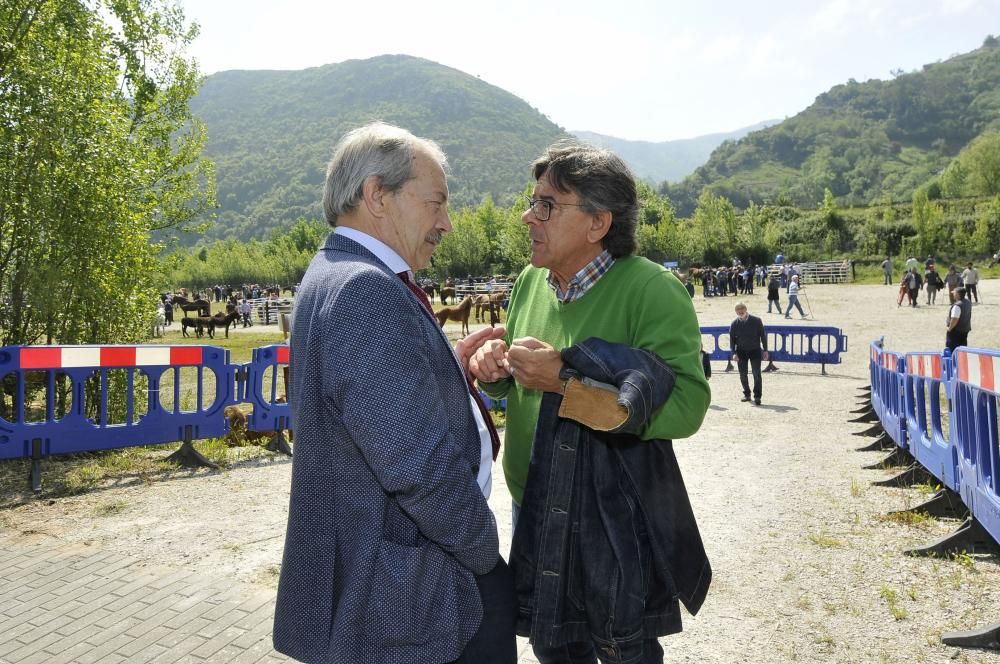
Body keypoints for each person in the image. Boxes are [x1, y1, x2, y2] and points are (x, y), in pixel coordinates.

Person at [273, 122, 515, 664]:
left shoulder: (336, 272)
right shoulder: (365, 289)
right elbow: (416, 467)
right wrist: (484, 551)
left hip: (394, 577)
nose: (446, 224)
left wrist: (448, 367)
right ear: (377, 196)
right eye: (436, 204)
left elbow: (366, 402)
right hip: (412, 594)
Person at [469, 141, 711, 664]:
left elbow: (688, 404)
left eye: (547, 205)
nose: (528, 217)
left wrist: (565, 382)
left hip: (611, 511)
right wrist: (494, 373)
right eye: (532, 201)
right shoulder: (530, 283)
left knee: (624, 646)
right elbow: (516, 387)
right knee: (553, 646)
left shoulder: (653, 290)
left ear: (598, 222)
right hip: (531, 501)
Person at [730, 302, 768, 405]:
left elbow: (763, 336)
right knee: (743, 375)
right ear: (735, 311)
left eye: (742, 308)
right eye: (737, 309)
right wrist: (733, 353)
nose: (740, 311)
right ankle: (747, 394)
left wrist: (765, 350)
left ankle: (757, 396)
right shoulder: (734, 324)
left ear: (746, 308)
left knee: (757, 374)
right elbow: (732, 341)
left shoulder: (756, 320)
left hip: (755, 350)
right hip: (741, 352)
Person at [946, 286, 972, 351]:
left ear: (957, 295)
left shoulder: (957, 306)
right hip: (965, 329)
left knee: (953, 349)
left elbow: (955, 319)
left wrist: (949, 329)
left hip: (956, 331)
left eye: (954, 293)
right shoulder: (968, 302)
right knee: (962, 349)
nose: (953, 295)